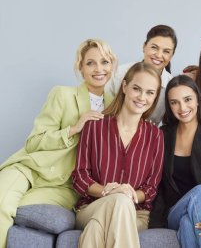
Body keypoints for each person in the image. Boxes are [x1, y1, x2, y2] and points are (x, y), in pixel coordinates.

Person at [0, 38, 116, 248]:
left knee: (18, 206)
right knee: (2, 201)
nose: (99, 69)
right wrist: (74, 129)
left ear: (112, 66)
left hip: (65, 185)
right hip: (29, 169)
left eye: (105, 62)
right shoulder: (62, 94)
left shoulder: (115, 109)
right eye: (90, 63)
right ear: (80, 68)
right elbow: (34, 142)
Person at [72, 62, 164, 248]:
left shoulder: (156, 135)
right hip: (92, 207)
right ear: (124, 87)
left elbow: (151, 188)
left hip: (136, 214)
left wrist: (128, 196)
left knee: (95, 229)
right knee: (119, 201)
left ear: (155, 97)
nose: (142, 97)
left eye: (149, 92)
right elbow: (79, 177)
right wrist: (109, 191)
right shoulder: (94, 126)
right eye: (137, 89)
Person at [149, 75, 201, 248]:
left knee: (188, 225)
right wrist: (154, 225)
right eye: (174, 102)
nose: (182, 107)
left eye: (187, 99)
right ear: (169, 106)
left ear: (198, 100)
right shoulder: (163, 135)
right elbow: (158, 185)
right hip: (173, 212)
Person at [106, 24, 177, 125]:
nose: (158, 55)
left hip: (148, 138)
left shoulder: (172, 86)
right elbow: (104, 107)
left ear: (172, 55)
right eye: (154, 47)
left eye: (166, 51)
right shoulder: (120, 73)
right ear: (144, 46)